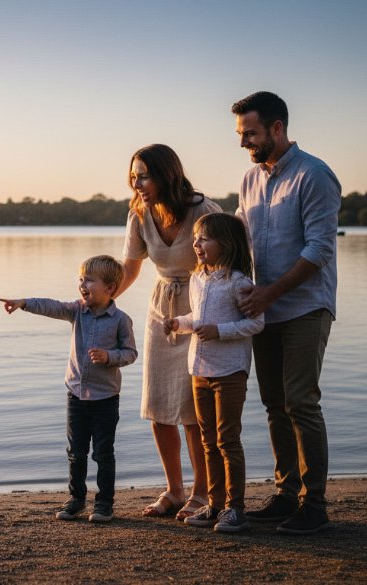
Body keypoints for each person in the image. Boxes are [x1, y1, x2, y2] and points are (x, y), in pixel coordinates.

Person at [231, 91, 341, 535]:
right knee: (274, 405)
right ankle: (284, 494)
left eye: (250, 133)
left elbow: (319, 249)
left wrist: (271, 293)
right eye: (240, 134)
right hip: (264, 309)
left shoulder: (314, 175)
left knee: (301, 402)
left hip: (304, 306)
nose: (243, 142)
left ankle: (313, 505)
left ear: (278, 128)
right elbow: (239, 239)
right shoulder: (249, 180)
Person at [120, 144, 220, 521]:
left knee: (193, 409)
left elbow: (229, 263)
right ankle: (175, 490)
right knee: (160, 406)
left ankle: (202, 492)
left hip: (200, 308)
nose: (137, 182)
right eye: (134, 175)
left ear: (166, 174)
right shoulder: (139, 215)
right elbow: (129, 269)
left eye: (144, 174)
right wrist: (100, 301)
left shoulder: (203, 211)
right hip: (161, 310)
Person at [0, 255, 138, 523]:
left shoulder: (121, 320)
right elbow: (51, 306)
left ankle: (104, 504)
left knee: (103, 453)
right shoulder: (76, 311)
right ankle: (76, 500)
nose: (82, 284)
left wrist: (110, 357)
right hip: (76, 396)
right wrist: (24, 303)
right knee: (75, 452)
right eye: (80, 279)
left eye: (89, 280)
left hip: (105, 399)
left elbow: (130, 353)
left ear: (110, 288)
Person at [163, 213, 264, 533]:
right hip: (199, 369)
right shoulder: (198, 279)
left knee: (227, 440)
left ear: (227, 243)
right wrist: (180, 324)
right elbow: (199, 318)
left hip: (230, 371)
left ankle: (236, 508)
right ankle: (215, 504)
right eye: (195, 238)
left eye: (204, 238)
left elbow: (256, 323)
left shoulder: (239, 283)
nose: (196, 243)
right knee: (208, 441)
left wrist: (219, 331)